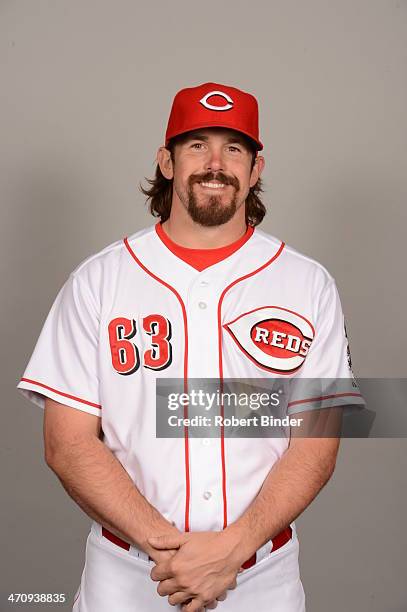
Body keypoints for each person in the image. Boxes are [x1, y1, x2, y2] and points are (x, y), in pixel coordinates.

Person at [17, 82, 365, 612]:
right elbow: (68, 444)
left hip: (261, 579)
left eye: (233, 148)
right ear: (167, 161)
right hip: (130, 577)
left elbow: (316, 442)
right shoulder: (99, 280)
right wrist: (173, 552)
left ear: (255, 168)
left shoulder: (306, 282)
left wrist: (231, 548)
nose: (215, 163)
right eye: (197, 144)